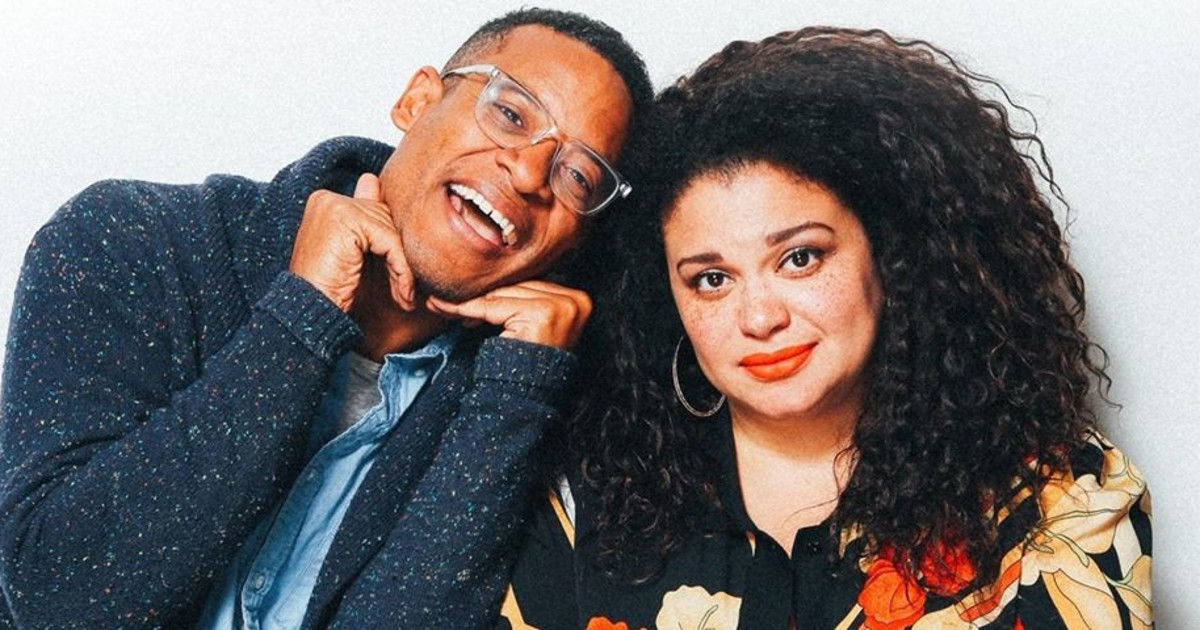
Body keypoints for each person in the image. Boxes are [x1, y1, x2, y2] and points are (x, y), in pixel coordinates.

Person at [0, 8, 652, 628]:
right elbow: (57, 601)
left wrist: (516, 394)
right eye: (510, 114)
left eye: (577, 177)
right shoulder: (131, 241)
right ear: (417, 101)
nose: (531, 173)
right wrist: (301, 316)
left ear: (577, 240)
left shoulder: (520, 394)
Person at [499, 27, 1152, 629]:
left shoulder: (1055, 498)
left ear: (891, 256)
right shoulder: (582, 496)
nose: (760, 317)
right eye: (712, 279)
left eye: (800, 258)